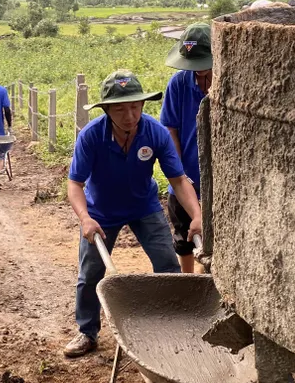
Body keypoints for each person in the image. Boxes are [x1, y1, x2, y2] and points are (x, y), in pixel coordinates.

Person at [64, 70, 203, 358]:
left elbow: (178, 179)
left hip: (144, 206)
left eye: (135, 107)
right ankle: (87, 332)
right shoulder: (92, 136)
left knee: (168, 264)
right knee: (91, 273)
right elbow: (75, 184)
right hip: (101, 211)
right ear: (106, 110)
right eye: (120, 108)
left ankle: (176, 323)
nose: (129, 115)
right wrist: (85, 218)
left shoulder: (155, 133)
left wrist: (197, 214)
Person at [160, 23, 212, 273]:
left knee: (215, 239)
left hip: (219, 180)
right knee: (184, 237)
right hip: (186, 175)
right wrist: (179, 174)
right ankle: (187, 281)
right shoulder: (178, 84)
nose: (198, 73)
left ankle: (207, 285)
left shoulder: (228, 83)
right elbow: (170, 129)